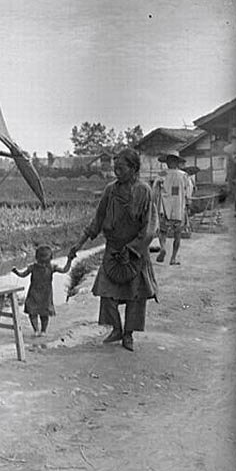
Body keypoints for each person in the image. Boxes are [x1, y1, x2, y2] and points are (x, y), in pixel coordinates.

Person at [70, 148, 158, 352]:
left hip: (135, 251)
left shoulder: (144, 191)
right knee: (106, 292)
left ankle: (128, 334)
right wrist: (79, 243)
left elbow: (150, 227)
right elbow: (98, 219)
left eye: (121, 168)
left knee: (135, 295)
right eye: (115, 168)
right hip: (113, 250)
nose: (116, 172)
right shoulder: (110, 190)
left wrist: (133, 248)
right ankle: (117, 329)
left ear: (133, 168)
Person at [12, 245, 74, 337]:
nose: (43, 263)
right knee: (37, 313)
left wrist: (16, 272)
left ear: (36, 258)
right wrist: (69, 260)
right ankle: (39, 331)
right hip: (40, 294)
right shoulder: (48, 267)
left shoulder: (36, 267)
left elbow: (22, 275)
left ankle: (40, 331)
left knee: (39, 313)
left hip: (40, 293)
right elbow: (65, 270)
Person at [153, 151, 193, 265]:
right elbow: (189, 191)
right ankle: (173, 258)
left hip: (164, 208)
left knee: (162, 231)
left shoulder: (161, 174)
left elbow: (155, 189)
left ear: (167, 163)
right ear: (177, 162)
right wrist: (188, 202)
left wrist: (154, 202)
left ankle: (163, 247)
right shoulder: (184, 175)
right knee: (178, 234)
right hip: (178, 208)